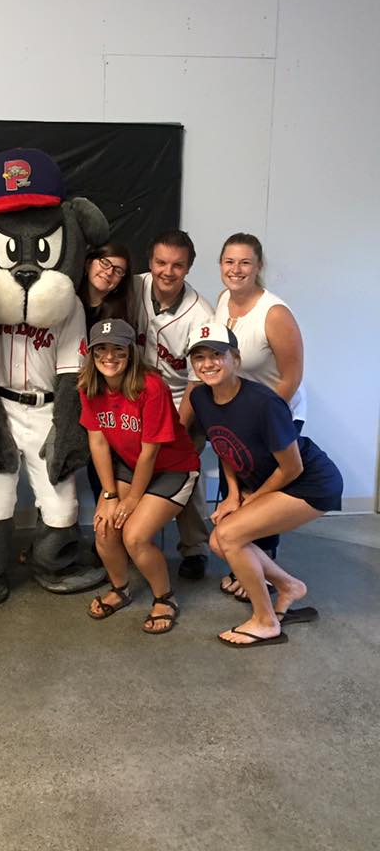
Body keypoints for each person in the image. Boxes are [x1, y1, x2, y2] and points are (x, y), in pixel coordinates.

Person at [188, 322, 342, 648]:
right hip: (275, 481)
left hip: (311, 482)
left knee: (229, 535)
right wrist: (232, 495)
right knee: (219, 542)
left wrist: (253, 499)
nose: (207, 364)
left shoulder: (263, 403)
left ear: (235, 359)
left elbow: (292, 467)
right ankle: (289, 586)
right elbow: (224, 445)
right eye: (199, 357)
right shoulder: (201, 397)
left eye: (217, 355)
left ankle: (265, 621)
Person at [79, 319, 200, 634]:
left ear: (131, 352)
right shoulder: (89, 385)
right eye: (101, 349)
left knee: (134, 536)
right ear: (92, 353)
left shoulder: (151, 386)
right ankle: (120, 589)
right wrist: (109, 495)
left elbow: (151, 452)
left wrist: (132, 499)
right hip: (130, 465)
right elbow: (98, 442)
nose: (109, 357)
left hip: (173, 467)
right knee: (105, 527)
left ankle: (165, 598)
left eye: (118, 349)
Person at [214, 232, 307, 598]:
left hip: (275, 414)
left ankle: (267, 574)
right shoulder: (223, 300)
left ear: (258, 266)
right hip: (237, 414)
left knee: (261, 495)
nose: (236, 269)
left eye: (245, 262)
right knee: (233, 490)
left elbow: (291, 377)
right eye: (229, 261)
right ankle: (243, 562)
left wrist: (259, 421)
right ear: (221, 265)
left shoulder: (274, 313)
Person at [133, 230, 214, 580]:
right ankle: (130, 537)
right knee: (129, 467)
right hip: (136, 398)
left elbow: (198, 380)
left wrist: (177, 429)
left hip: (182, 401)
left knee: (186, 472)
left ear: (189, 267)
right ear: (150, 261)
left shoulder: (202, 313)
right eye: (161, 262)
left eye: (177, 265)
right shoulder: (133, 287)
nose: (168, 271)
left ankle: (195, 548)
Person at [77, 243, 137, 503]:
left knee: (102, 459)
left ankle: (107, 507)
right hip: (66, 390)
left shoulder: (119, 311)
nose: (109, 272)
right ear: (88, 263)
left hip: (100, 392)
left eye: (118, 271)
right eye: (105, 263)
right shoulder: (66, 299)